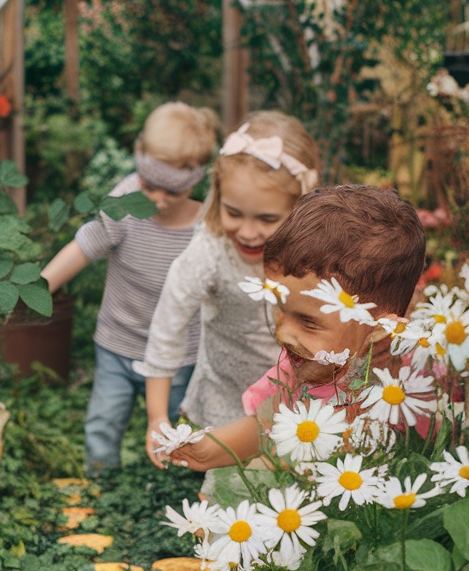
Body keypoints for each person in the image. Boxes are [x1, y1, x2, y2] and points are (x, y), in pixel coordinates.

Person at [167, 185, 428, 473]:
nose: (283, 334)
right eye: (280, 307)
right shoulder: (300, 364)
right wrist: (211, 450)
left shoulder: (413, 391)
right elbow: (267, 423)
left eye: (308, 322)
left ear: (379, 329)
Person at [41, 102, 219, 473]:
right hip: (118, 344)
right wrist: (41, 285)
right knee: (104, 422)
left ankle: (168, 488)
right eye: (149, 184)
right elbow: (85, 245)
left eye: (172, 191)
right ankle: (101, 478)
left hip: (178, 355)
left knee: (176, 427)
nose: (157, 199)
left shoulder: (206, 226)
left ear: (194, 180)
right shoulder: (125, 206)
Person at [141, 112, 320, 481]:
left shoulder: (317, 250)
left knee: (291, 486)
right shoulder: (209, 253)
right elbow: (167, 328)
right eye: (233, 213)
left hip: (296, 393)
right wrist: (157, 415)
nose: (249, 232)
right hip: (227, 395)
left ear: (301, 207)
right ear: (218, 197)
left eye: (268, 219)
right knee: (229, 488)